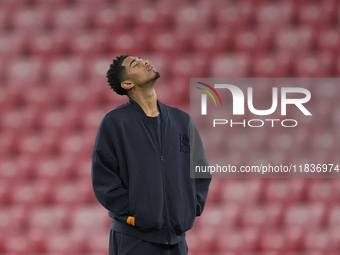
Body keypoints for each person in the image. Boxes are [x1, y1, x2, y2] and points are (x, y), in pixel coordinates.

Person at [91, 55, 211, 255]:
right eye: (134, 64)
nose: (144, 62)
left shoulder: (182, 121)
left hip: (176, 242)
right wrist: (137, 214)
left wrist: (190, 207)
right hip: (133, 240)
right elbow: (104, 179)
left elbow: (201, 169)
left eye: (142, 59)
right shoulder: (115, 122)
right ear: (127, 83)